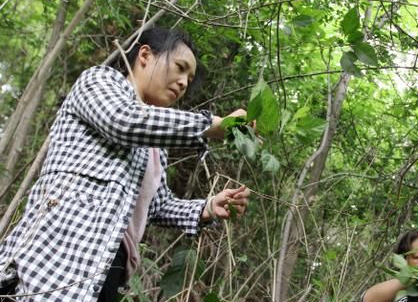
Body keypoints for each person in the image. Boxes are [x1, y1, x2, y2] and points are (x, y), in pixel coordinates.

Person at [0, 27, 251, 301]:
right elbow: (122, 121)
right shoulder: (100, 81)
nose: (183, 83)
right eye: (180, 68)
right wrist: (215, 125)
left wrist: (207, 207)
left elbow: (157, 205)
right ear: (145, 55)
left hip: (109, 264)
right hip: (61, 250)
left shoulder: (155, 145)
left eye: (189, 80)